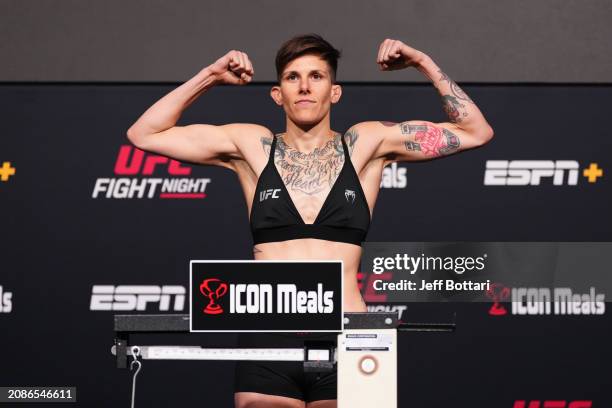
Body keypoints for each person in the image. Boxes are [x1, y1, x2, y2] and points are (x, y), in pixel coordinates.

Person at [126, 34, 493, 408]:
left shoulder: (365, 144)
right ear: (277, 94)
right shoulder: (251, 146)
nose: (304, 86)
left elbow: (476, 132)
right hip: (268, 336)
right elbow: (143, 133)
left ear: (335, 92)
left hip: (350, 334)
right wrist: (210, 75)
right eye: (292, 77)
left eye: (316, 76)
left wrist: (422, 62)